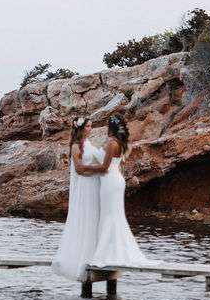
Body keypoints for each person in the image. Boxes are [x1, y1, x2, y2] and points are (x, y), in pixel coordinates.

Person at [88, 114, 153, 268]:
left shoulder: (112, 143)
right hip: (114, 179)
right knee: (114, 215)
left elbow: (104, 167)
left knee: (109, 215)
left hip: (109, 181)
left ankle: (105, 254)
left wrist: (84, 168)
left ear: (111, 127)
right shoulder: (121, 143)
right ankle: (114, 252)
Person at [51, 116, 104, 281]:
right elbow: (80, 169)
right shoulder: (75, 146)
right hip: (85, 186)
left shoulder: (89, 144)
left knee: (95, 218)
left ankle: (95, 253)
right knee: (86, 217)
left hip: (94, 186)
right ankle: (82, 255)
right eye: (88, 126)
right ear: (81, 128)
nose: (90, 129)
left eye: (91, 126)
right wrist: (100, 169)